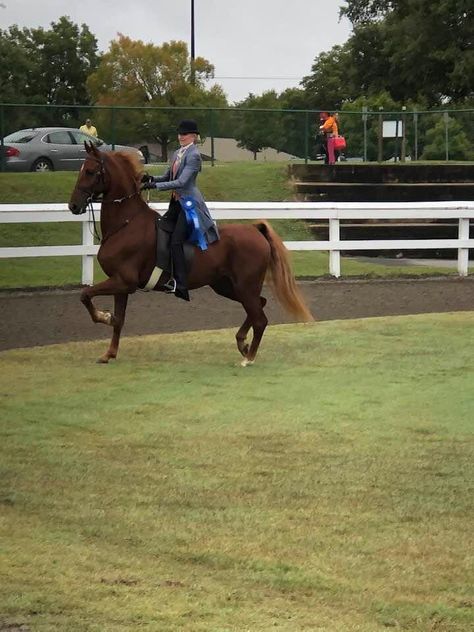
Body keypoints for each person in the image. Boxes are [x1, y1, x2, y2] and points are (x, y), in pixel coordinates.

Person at [141, 119, 219, 301]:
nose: (180, 136)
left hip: (189, 204)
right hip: (176, 203)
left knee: (176, 241)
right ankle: (163, 274)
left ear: (193, 136)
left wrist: (155, 187)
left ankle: (181, 284)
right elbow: (169, 176)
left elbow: (182, 182)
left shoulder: (194, 156)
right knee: (160, 231)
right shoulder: (177, 153)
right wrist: (151, 178)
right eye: (179, 133)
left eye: (184, 134)